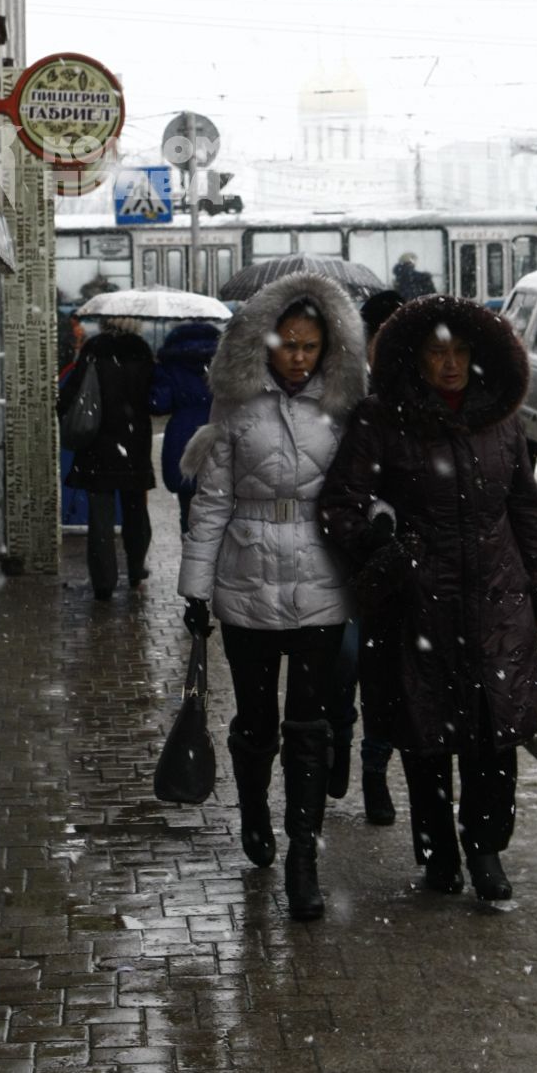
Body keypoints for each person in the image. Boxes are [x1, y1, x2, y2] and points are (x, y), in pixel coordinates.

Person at [320, 294, 537, 902]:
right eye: (438, 352)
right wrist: (384, 552)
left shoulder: (501, 419)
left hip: (497, 599)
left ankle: (487, 850)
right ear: (416, 359)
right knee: (425, 733)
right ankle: (439, 854)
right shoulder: (381, 418)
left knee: (494, 734)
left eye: (461, 351)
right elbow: (339, 505)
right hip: (419, 602)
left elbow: (524, 507)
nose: (451, 364)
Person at [177, 272, 366, 920]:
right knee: (257, 721)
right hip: (246, 580)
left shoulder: (341, 409)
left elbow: (359, 494)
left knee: (308, 724)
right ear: (267, 341)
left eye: (310, 345)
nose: (298, 355)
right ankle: (254, 809)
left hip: (320, 583)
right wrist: (195, 589)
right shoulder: (235, 406)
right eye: (288, 342)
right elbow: (214, 500)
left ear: (326, 347)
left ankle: (303, 855)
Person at [325, 289, 402, 824]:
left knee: (386, 676)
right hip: (343, 554)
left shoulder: (408, 400)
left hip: (393, 560)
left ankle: (375, 771)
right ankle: (338, 743)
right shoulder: (339, 392)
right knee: (341, 665)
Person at [58, 317, 155, 600]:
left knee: (100, 515)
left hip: (98, 443)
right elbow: (153, 396)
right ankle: (136, 569)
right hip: (134, 442)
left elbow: (71, 394)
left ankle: (104, 582)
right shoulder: (141, 349)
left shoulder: (94, 348)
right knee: (136, 510)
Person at [150, 317, 222, 533]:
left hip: (182, 436)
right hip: (217, 433)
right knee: (219, 502)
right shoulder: (223, 358)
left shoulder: (171, 362)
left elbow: (159, 404)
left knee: (188, 504)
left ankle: (190, 549)